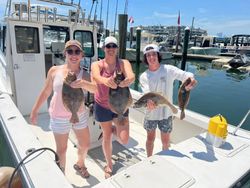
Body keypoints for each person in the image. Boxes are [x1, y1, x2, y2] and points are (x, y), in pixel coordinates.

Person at [30, 40, 97, 178]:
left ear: (82, 55)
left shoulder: (84, 75)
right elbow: (46, 91)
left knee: (85, 144)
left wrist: (84, 83)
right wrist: (35, 110)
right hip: (59, 116)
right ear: (65, 53)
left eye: (77, 51)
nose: (74, 55)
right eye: (70, 51)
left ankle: (80, 164)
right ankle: (61, 176)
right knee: (62, 149)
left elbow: (96, 90)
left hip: (79, 114)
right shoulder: (54, 71)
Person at [140, 44, 197, 157]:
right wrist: (149, 103)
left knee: (166, 141)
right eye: (148, 55)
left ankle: (166, 159)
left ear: (158, 55)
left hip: (167, 113)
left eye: (153, 54)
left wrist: (191, 79)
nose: (151, 57)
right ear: (145, 58)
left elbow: (185, 75)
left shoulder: (168, 70)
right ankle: (149, 158)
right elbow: (147, 93)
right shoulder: (144, 76)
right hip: (151, 113)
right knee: (150, 139)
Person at [91, 36, 135, 178]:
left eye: (113, 46)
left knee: (125, 139)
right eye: (108, 46)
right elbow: (97, 77)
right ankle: (109, 164)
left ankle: (110, 129)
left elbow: (131, 75)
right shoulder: (97, 64)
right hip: (102, 105)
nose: (111, 49)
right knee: (107, 137)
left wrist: (128, 79)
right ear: (103, 48)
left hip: (121, 105)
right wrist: (107, 81)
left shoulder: (123, 63)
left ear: (117, 49)